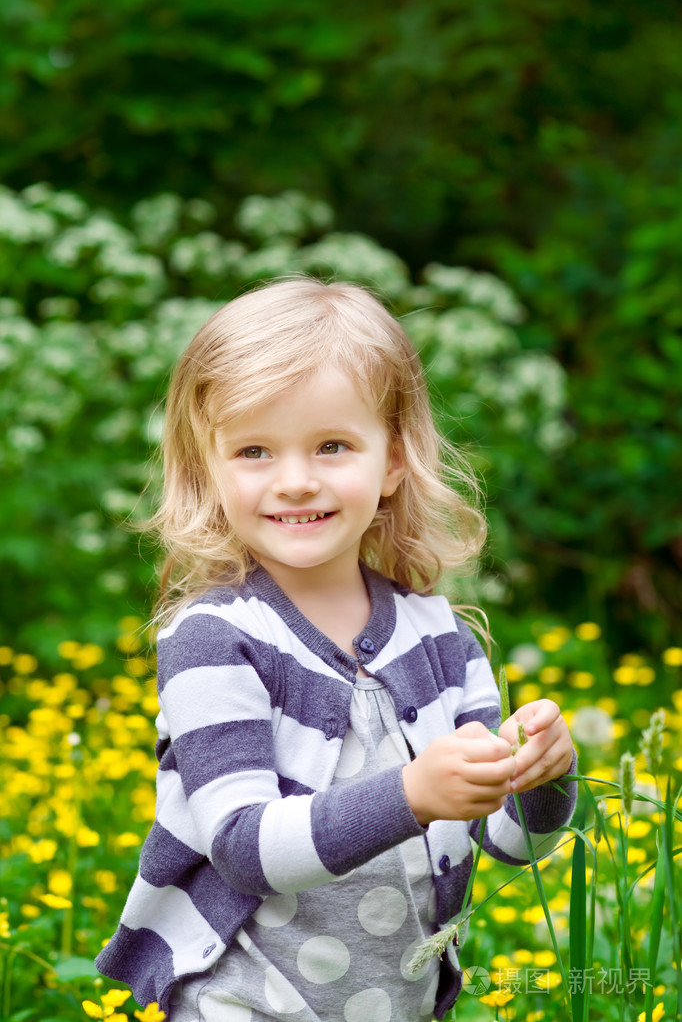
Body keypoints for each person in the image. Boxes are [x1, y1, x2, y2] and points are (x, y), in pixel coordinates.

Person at [96, 277, 576, 1022]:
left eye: (332, 445)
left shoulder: (440, 635)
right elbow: (244, 845)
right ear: (210, 468)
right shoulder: (214, 639)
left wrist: (543, 774)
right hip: (243, 1000)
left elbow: (513, 844)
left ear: (391, 460)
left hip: (399, 1002)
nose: (295, 480)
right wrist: (415, 792)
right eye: (254, 449)